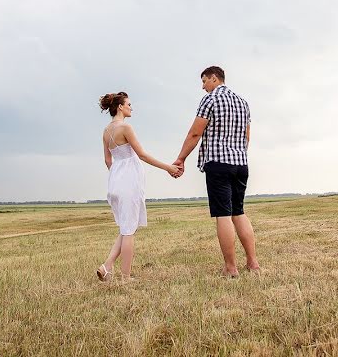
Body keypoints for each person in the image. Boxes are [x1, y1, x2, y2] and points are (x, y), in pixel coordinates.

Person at [171, 66, 260, 277]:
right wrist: (237, 153)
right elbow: (247, 137)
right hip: (240, 163)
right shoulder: (243, 102)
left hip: (218, 164)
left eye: (204, 82)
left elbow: (195, 133)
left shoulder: (210, 100)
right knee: (239, 212)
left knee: (223, 215)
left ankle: (231, 268)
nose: (203, 87)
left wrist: (181, 158)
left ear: (214, 78)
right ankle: (253, 263)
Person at [96, 91, 181, 282]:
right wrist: (167, 167)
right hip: (128, 183)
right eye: (129, 104)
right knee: (128, 231)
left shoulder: (106, 131)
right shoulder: (125, 128)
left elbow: (108, 161)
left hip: (116, 182)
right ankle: (126, 277)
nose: (131, 107)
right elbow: (142, 154)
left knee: (127, 227)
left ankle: (107, 266)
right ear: (120, 107)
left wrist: (118, 176)